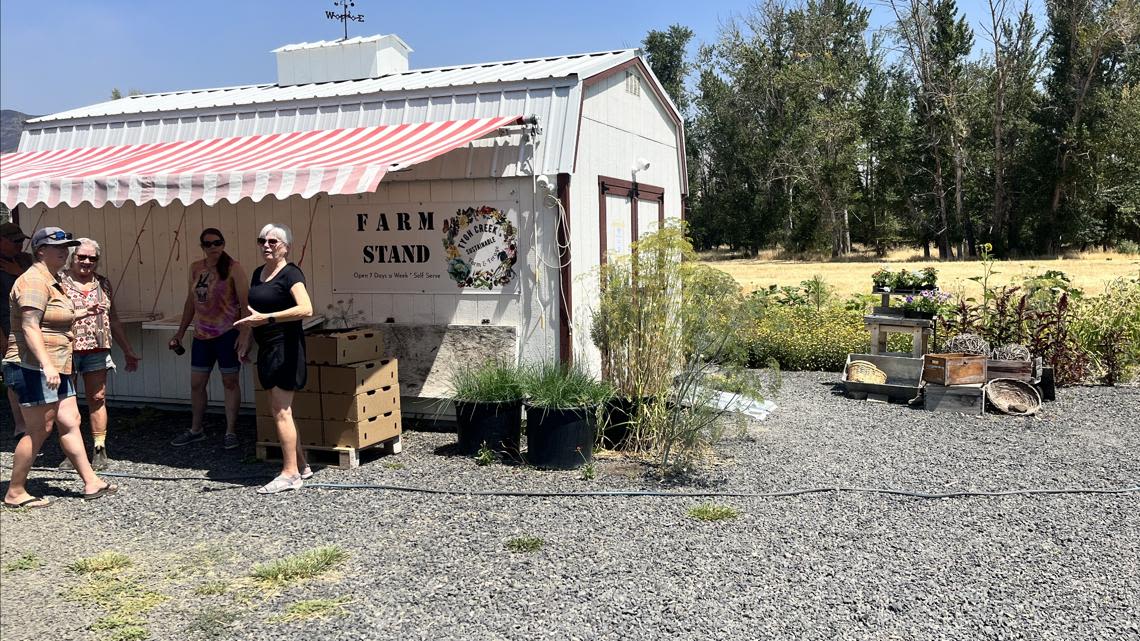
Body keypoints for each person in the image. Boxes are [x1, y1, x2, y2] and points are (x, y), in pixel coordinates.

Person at [2, 227, 117, 508]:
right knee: (40, 428)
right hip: (32, 365)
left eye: (67, 247)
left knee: (70, 420)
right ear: (40, 250)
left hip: (57, 364)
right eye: (59, 247)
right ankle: (15, 491)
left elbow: (52, 316)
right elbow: (30, 326)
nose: (64, 251)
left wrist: (81, 313)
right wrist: (46, 365)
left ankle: (91, 482)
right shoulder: (32, 281)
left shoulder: (52, 280)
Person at [234, 223, 313, 494]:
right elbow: (252, 310)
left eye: (273, 241)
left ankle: (290, 473)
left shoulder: (291, 274)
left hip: (286, 348)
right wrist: (245, 337)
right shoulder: (259, 273)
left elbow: (306, 308)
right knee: (279, 411)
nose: (266, 246)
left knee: (281, 411)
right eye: (262, 241)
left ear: (285, 247)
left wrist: (268, 319)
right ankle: (301, 465)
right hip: (266, 347)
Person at [62, 238, 142, 469]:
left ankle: (99, 449)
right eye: (82, 257)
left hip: (97, 348)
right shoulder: (59, 282)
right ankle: (71, 450)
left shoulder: (103, 283)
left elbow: (112, 319)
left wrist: (127, 349)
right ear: (72, 257)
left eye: (92, 258)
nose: (87, 262)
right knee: (67, 402)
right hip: (67, 349)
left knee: (97, 398)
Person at [168, 228, 248, 449]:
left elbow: (244, 303)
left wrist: (244, 334)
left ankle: (230, 431)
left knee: (229, 381)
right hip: (202, 334)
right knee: (196, 383)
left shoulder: (234, 268)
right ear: (202, 246)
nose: (213, 247)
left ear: (223, 244)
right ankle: (196, 429)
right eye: (208, 244)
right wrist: (180, 332)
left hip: (227, 333)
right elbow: (191, 302)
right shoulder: (196, 268)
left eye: (217, 243)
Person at [1, 222, 33, 438]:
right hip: (6, 326)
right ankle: (20, 424)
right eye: (15, 242)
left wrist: (19, 273)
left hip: (30, 323)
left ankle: (34, 419)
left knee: (31, 369)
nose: (20, 245)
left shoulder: (25, 260)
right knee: (13, 373)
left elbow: (42, 283)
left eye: (22, 241)